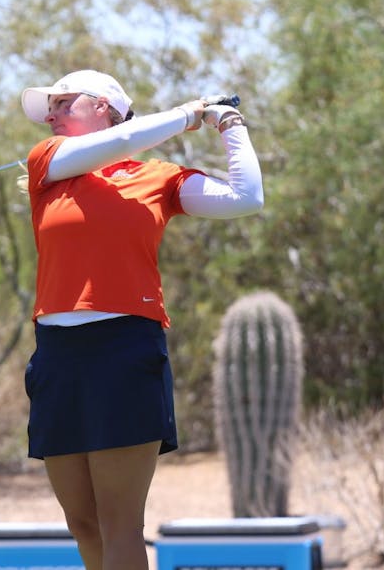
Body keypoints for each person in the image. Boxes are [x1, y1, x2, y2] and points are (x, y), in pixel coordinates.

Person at [21, 68, 264, 570]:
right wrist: (185, 114)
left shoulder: (158, 179)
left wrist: (229, 124)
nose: (52, 113)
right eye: (52, 106)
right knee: (82, 523)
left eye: (65, 102)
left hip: (124, 351)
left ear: (104, 106)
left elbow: (246, 197)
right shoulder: (46, 163)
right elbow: (126, 137)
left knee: (119, 523)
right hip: (58, 358)